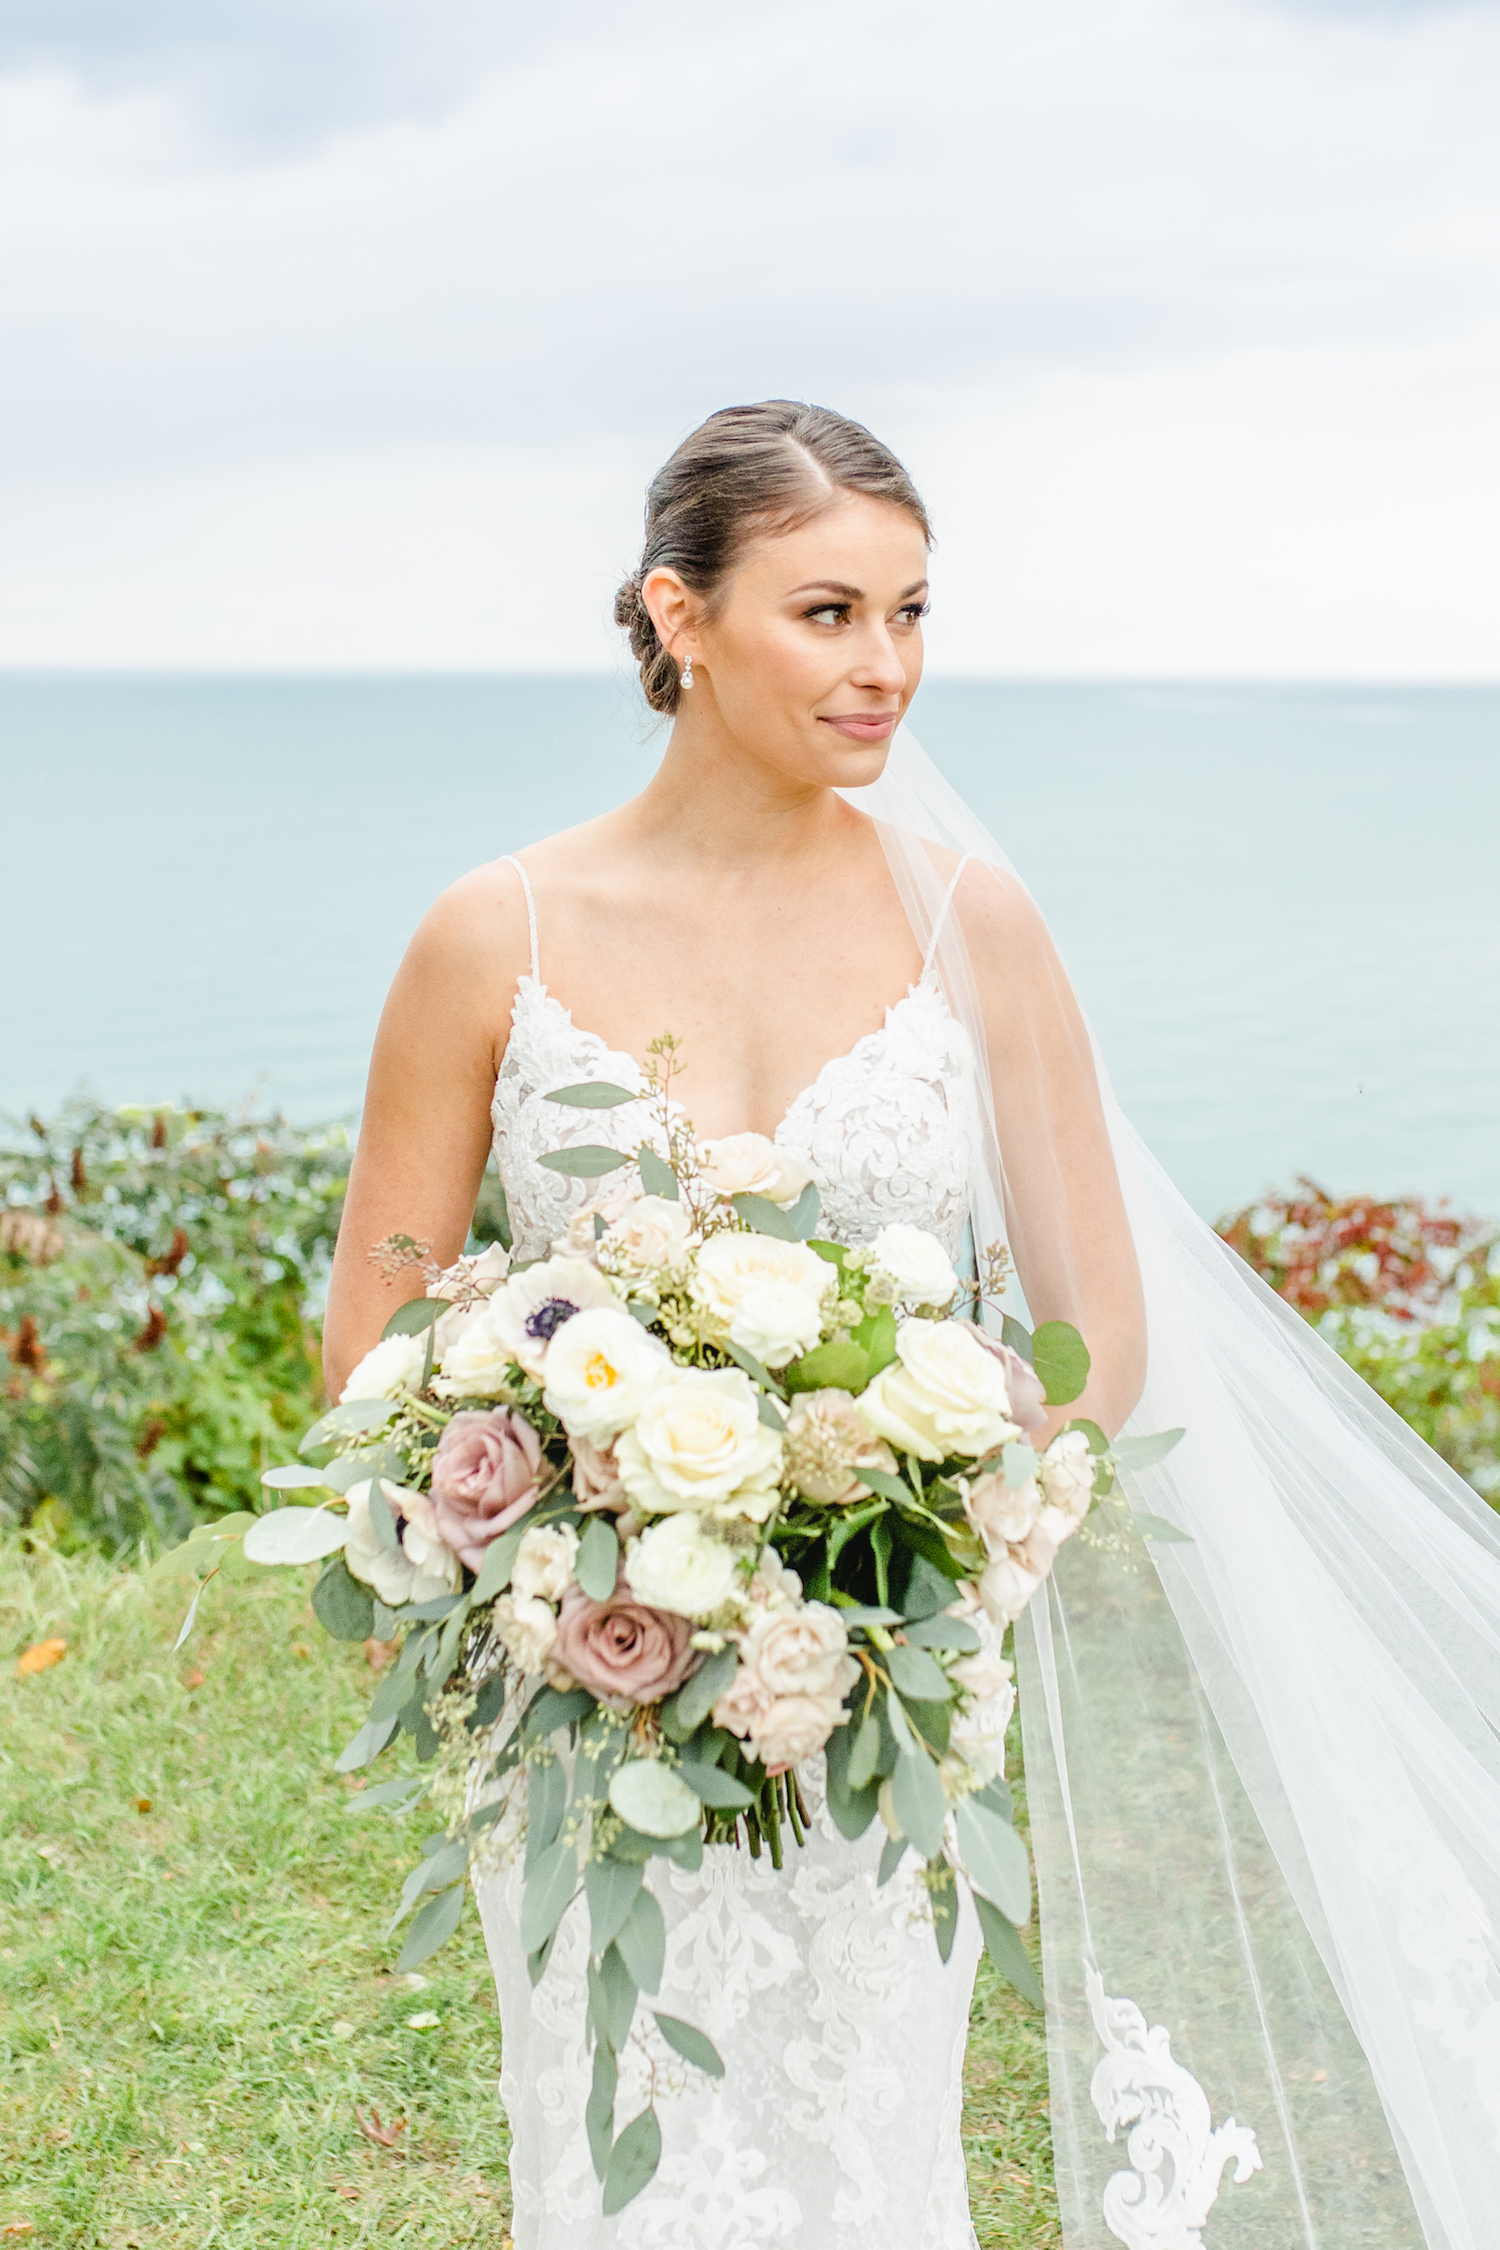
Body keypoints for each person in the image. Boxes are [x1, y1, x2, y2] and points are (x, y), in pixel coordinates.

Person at [324, 404, 1500, 2249]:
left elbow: (1091, 1325)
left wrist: (937, 1546)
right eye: (828, 613)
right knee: (610, 2137)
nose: (887, 668)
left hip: (879, 1675)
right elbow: (373, 1351)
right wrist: (556, 1554)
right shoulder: (496, 933)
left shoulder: (977, 923)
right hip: (577, 1694)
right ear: (680, 615)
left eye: (911, 611)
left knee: (868, 2145)